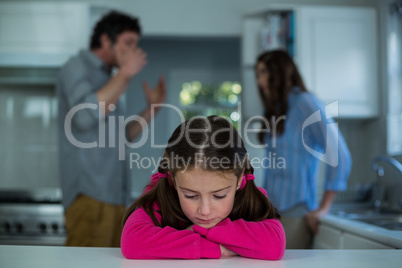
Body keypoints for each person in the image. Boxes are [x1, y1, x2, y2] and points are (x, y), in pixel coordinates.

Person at [56, 11, 166, 247]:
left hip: (115, 197)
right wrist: (125, 73)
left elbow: (122, 136)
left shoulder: (109, 77)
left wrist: (152, 110)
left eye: (136, 45)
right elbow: (83, 117)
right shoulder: (75, 67)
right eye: (128, 43)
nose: (135, 52)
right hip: (90, 196)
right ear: (106, 41)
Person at [121, 116, 286, 259]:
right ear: (172, 178)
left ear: (239, 179)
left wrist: (196, 231)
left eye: (219, 196)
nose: (205, 211)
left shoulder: (248, 192)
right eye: (190, 196)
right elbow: (132, 242)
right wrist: (216, 248)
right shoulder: (162, 190)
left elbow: (275, 244)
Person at [255, 50, 352, 249]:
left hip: (295, 215)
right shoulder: (278, 110)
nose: (259, 80)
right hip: (272, 215)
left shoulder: (305, 103)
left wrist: (324, 207)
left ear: (280, 72)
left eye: (263, 72)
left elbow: (340, 155)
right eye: (257, 75)